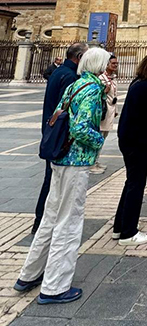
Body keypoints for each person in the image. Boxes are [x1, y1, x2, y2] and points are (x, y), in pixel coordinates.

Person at [15, 46, 108, 304]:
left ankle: (29, 274)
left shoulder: (74, 85)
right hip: (75, 163)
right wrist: (98, 140)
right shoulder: (90, 89)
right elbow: (80, 128)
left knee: (50, 217)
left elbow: (59, 116)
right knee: (69, 222)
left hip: (58, 159)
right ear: (99, 66)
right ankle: (55, 287)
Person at [113, 53, 147, 245]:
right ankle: (128, 233)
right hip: (136, 141)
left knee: (131, 183)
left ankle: (119, 226)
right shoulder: (146, 87)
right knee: (137, 185)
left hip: (129, 138)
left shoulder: (137, 83)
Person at [32, 42, 88, 234]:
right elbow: (65, 109)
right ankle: (41, 222)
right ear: (79, 57)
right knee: (53, 180)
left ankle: (42, 220)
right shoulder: (70, 76)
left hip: (51, 131)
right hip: (59, 135)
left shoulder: (59, 72)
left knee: (53, 178)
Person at [90, 53, 118, 174]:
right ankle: (91, 163)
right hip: (102, 112)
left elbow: (114, 96)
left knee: (103, 137)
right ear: (106, 64)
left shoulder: (112, 77)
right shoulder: (101, 79)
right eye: (113, 63)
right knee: (98, 136)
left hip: (109, 111)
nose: (115, 65)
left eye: (116, 63)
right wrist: (104, 91)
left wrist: (116, 110)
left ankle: (96, 161)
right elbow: (99, 95)